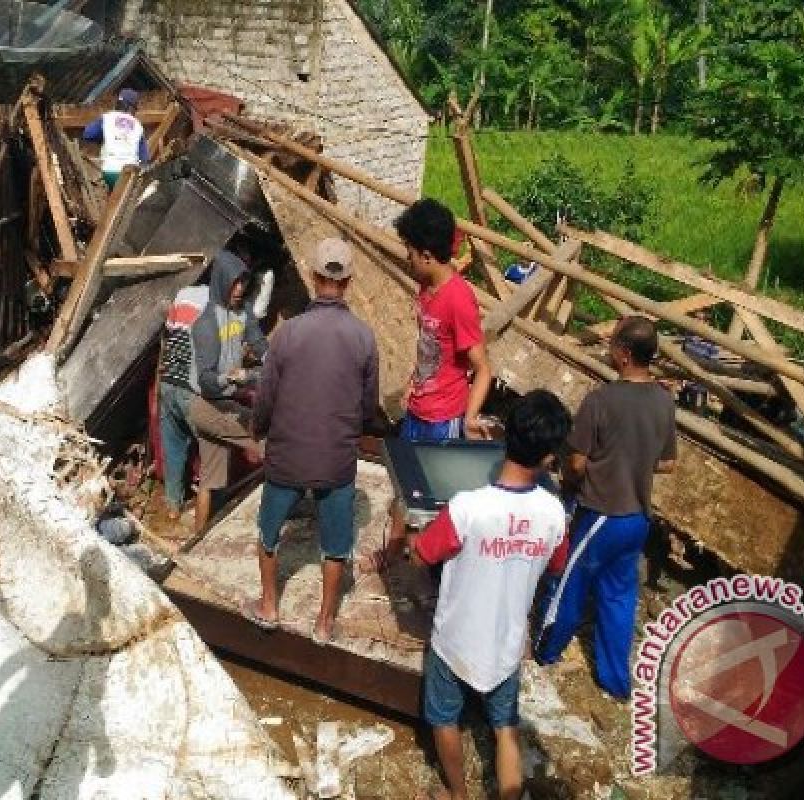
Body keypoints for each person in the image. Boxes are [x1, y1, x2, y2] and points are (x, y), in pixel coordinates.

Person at [412, 390, 572, 800]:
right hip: (506, 643)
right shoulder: (555, 514)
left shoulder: (468, 507)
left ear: (506, 435)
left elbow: (424, 553)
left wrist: (408, 536)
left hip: (456, 640)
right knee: (506, 727)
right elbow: (555, 567)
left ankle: (459, 794)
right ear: (548, 457)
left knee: (444, 718)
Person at [243, 238, 379, 644]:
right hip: (336, 461)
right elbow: (368, 408)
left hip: (288, 456)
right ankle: (323, 623)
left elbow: (266, 397)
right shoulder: (363, 337)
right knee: (335, 544)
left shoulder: (288, 334)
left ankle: (268, 606)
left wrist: (258, 431)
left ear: (314, 276)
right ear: (348, 280)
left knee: (268, 532)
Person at [536, 316, 677, 700]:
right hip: (636, 517)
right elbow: (667, 462)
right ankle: (616, 681)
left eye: (613, 343)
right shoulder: (664, 402)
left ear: (624, 354)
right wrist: (635, 459)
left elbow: (578, 462)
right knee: (618, 597)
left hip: (600, 513)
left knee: (568, 585)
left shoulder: (601, 400)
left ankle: (546, 650)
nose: (609, 348)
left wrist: (583, 473)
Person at [360, 197, 494, 574]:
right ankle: (395, 550)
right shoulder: (426, 290)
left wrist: (469, 418)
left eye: (409, 251)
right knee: (405, 486)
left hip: (444, 416)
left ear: (427, 254)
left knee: (437, 501)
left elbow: (483, 368)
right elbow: (429, 350)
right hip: (419, 406)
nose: (406, 257)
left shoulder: (459, 300)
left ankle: (434, 571)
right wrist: (412, 381)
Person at [189, 250, 268, 532]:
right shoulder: (207, 324)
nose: (240, 290)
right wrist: (236, 379)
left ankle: (195, 542)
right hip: (207, 404)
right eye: (234, 283)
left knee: (209, 481)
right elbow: (208, 380)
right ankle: (279, 517)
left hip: (222, 400)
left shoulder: (242, 312)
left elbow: (257, 343)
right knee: (267, 440)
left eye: (243, 283)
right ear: (221, 281)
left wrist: (274, 362)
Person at [156, 281, 210, 523]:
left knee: (173, 447)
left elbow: (168, 332)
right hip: (191, 388)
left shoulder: (182, 295)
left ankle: (172, 507)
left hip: (168, 383)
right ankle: (206, 517)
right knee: (212, 450)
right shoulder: (217, 304)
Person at [82, 88, 151, 189]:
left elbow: (87, 134)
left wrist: (104, 138)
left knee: (113, 196)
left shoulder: (106, 118)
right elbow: (144, 157)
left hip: (110, 172)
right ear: (131, 107)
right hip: (129, 174)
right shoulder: (137, 124)